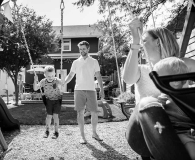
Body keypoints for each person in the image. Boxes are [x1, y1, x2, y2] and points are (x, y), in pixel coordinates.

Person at [122, 17, 195, 160]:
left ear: (158, 42)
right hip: (144, 130)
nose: (142, 46)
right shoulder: (142, 70)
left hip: (180, 129)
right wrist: (136, 40)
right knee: (147, 102)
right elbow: (128, 79)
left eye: (144, 41)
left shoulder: (184, 66)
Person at [153, 57, 195, 160]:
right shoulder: (164, 97)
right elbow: (155, 109)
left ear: (175, 81)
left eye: (159, 80)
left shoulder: (190, 95)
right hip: (179, 133)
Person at [63, 41, 105, 144]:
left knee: (94, 112)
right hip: (79, 90)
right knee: (80, 112)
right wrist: (63, 82)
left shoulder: (94, 61)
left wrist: (102, 89)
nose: (82, 51)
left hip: (91, 89)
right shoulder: (76, 62)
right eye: (80, 49)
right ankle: (82, 136)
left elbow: (98, 75)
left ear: (88, 49)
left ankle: (94, 133)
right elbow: (71, 75)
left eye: (84, 49)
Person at [34, 66, 63, 139]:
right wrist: (35, 80)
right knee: (49, 116)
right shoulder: (43, 81)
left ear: (55, 74)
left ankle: (56, 132)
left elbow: (63, 83)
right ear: (45, 75)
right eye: (49, 76)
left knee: (55, 116)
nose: (51, 77)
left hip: (57, 100)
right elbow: (35, 88)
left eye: (52, 75)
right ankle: (47, 131)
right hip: (48, 100)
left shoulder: (56, 80)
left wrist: (62, 77)